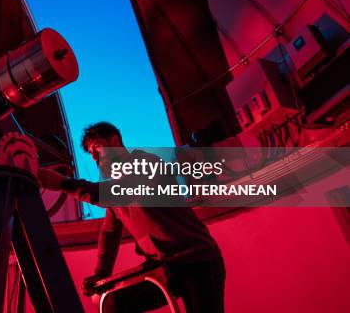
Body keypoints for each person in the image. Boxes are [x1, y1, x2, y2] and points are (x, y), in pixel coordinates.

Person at [38, 122, 225, 313]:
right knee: (113, 304)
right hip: (166, 267)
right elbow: (109, 232)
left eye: (97, 148)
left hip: (199, 260)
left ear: (115, 140)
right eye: (90, 153)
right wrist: (101, 275)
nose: (94, 157)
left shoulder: (147, 164)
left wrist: (65, 184)